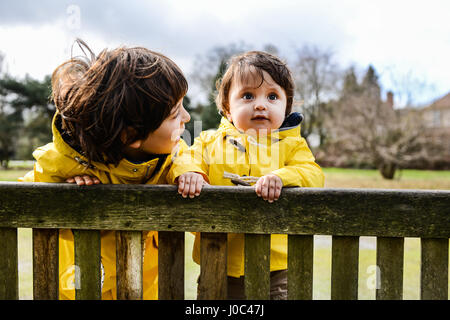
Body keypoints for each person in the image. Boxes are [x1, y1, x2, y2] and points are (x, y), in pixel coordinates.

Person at [20, 39, 191, 299]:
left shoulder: (175, 162)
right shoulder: (63, 165)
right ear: (131, 136)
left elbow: (189, 157)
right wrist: (58, 190)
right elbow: (31, 190)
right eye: (175, 114)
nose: (187, 118)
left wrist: (189, 173)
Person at [168, 51, 324, 299]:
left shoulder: (292, 145)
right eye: (248, 96)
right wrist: (191, 172)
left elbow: (312, 174)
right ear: (228, 109)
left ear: (286, 108)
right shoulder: (210, 141)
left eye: (272, 96)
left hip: (276, 269)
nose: (261, 104)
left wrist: (282, 177)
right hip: (217, 260)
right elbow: (184, 156)